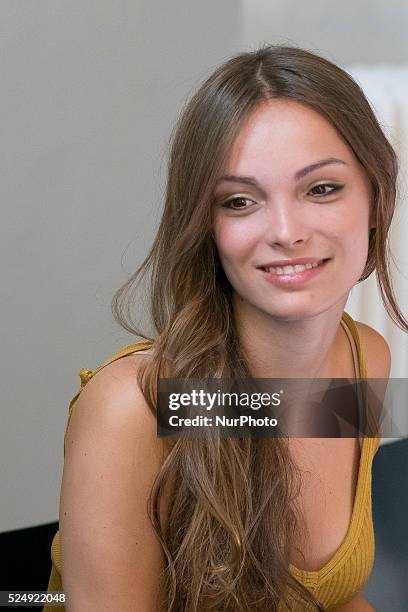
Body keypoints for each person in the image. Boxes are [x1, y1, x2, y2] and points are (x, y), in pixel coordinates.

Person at [43, 44, 407, 611]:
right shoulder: (139, 411)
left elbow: (330, 598)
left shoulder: (365, 360)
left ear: (376, 196)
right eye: (240, 201)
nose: (286, 231)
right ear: (206, 226)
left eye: (322, 188)